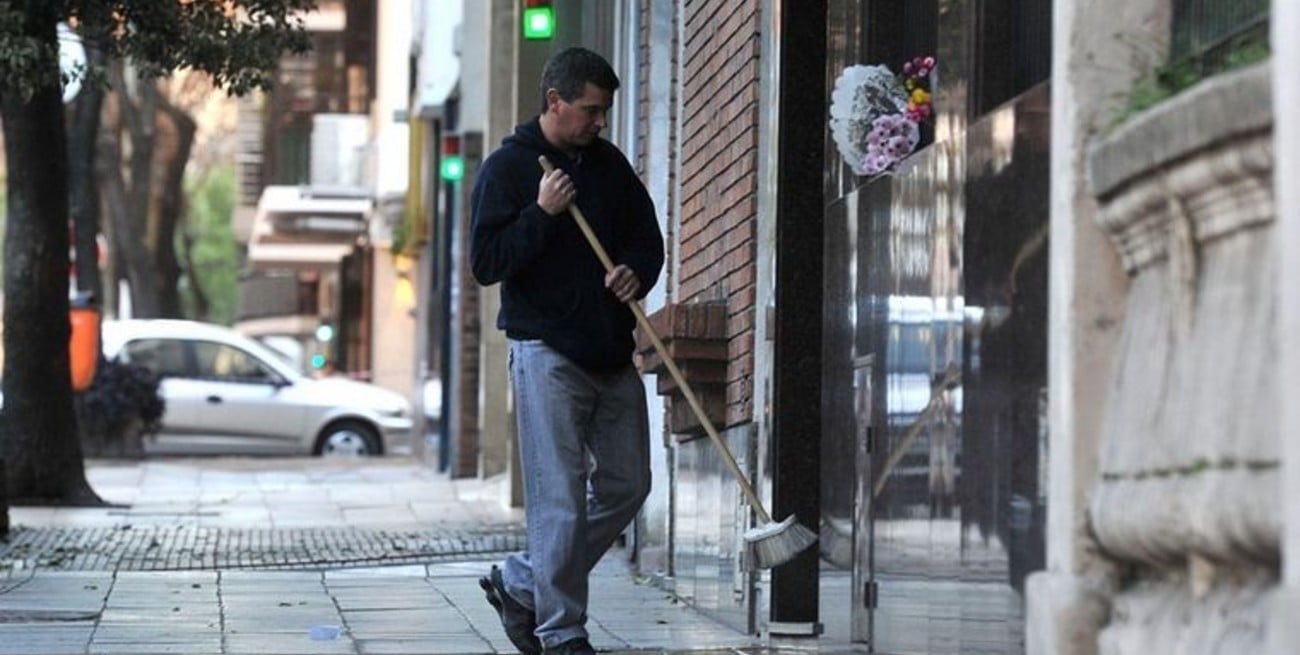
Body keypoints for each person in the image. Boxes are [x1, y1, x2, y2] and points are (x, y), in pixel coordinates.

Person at [469, 47, 665, 655]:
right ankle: (561, 632)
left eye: (604, 111)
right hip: (545, 352)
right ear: (555, 102)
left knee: (628, 485)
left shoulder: (609, 165)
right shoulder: (508, 168)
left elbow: (647, 237)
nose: (600, 122)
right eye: (590, 110)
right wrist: (542, 213)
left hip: (610, 351)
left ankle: (524, 579)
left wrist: (635, 272)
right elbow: (487, 262)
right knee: (559, 496)